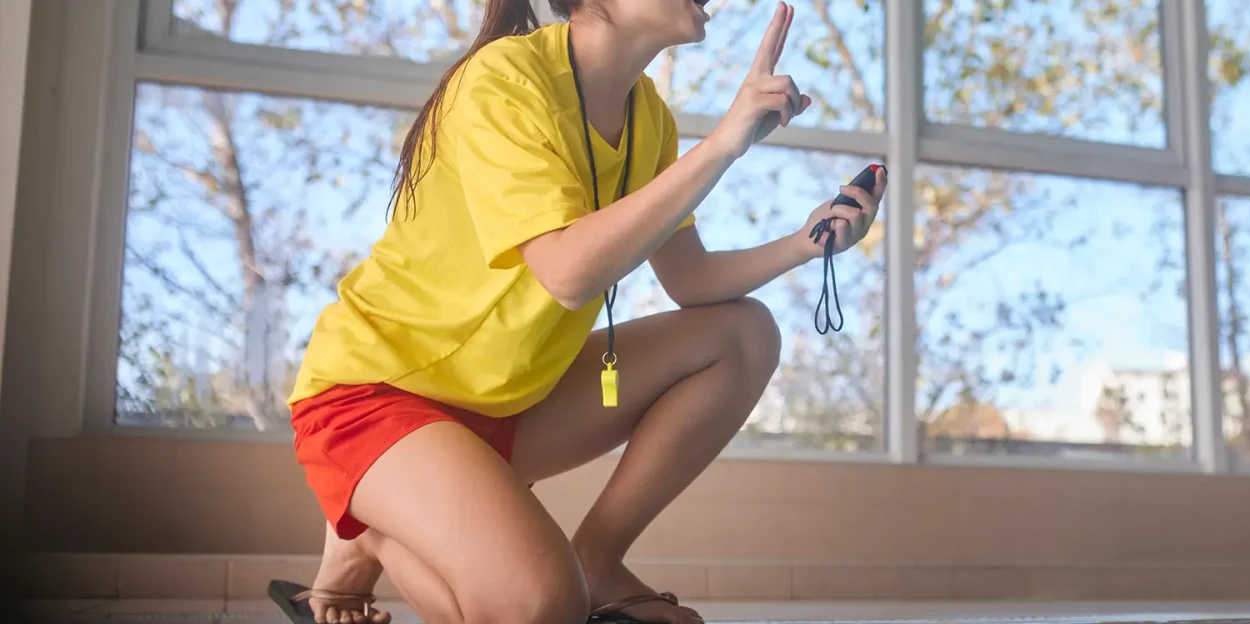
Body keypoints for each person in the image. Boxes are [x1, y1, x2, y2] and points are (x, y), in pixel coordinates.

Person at [265, 0, 885, 622]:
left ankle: (598, 558)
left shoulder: (651, 120)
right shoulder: (503, 78)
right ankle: (369, 521)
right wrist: (724, 144)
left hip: (506, 402)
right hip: (375, 394)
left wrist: (808, 243)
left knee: (743, 334)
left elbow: (691, 280)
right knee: (541, 605)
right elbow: (567, 273)